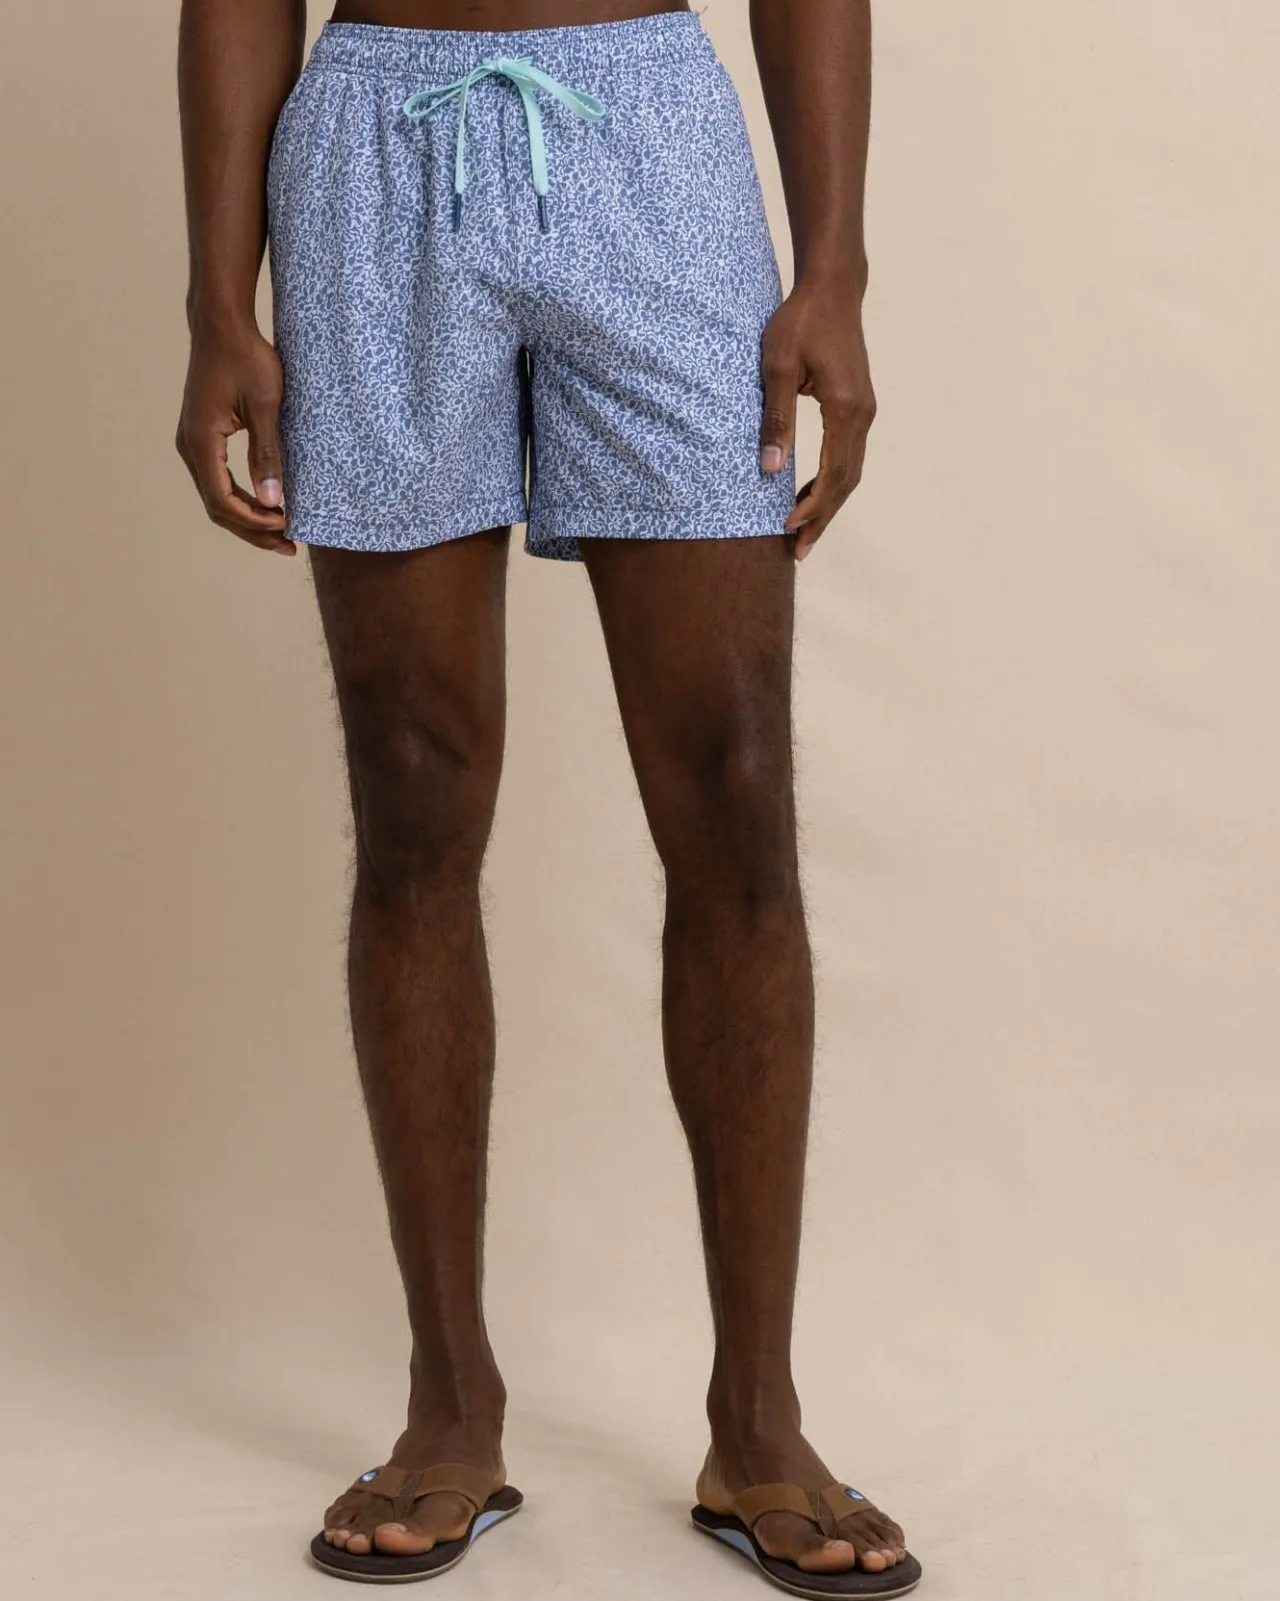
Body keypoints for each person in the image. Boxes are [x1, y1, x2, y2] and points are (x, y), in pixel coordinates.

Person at [176, 0, 919, 1593]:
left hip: (649, 137)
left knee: (733, 790)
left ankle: (758, 1421)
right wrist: (215, 300)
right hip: (373, 157)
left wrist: (835, 270)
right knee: (413, 794)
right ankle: (450, 1403)